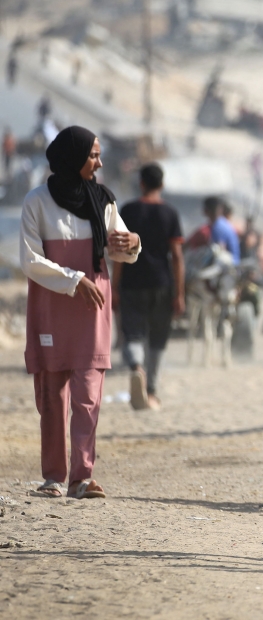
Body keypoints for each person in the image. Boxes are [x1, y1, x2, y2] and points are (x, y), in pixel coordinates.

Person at [20, 126, 141, 500]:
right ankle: (54, 478)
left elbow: (120, 248)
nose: (100, 163)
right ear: (73, 158)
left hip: (93, 308)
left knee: (88, 394)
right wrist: (73, 280)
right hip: (52, 308)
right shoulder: (37, 202)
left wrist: (133, 243)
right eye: (93, 156)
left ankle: (81, 478)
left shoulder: (103, 200)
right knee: (52, 395)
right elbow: (29, 259)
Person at [114, 163, 184, 411]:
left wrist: (114, 286)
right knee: (158, 338)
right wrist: (179, 293)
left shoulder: (128, 210)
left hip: (132, 282)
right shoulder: (170, 214)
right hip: (162, 283)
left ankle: (135, 368)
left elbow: (119, 252)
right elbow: (176, 256)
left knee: (132, 333)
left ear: (141, 183)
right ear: (162, 185)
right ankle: (151, 391)